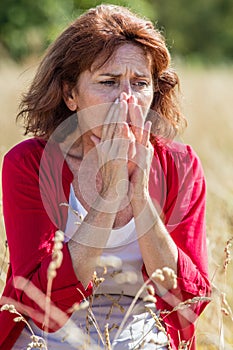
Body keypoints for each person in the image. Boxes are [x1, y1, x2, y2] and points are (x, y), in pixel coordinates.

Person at [0, 4, 211, 349]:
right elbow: (39, 304)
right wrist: (110, 195)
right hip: (45, 339)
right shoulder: (28, 164)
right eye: (108, 82)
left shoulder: (180, 165)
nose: (126, 98)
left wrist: (139, 197)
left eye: (140, 83)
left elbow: (188, 297)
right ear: (70, 95)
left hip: (143, 336)